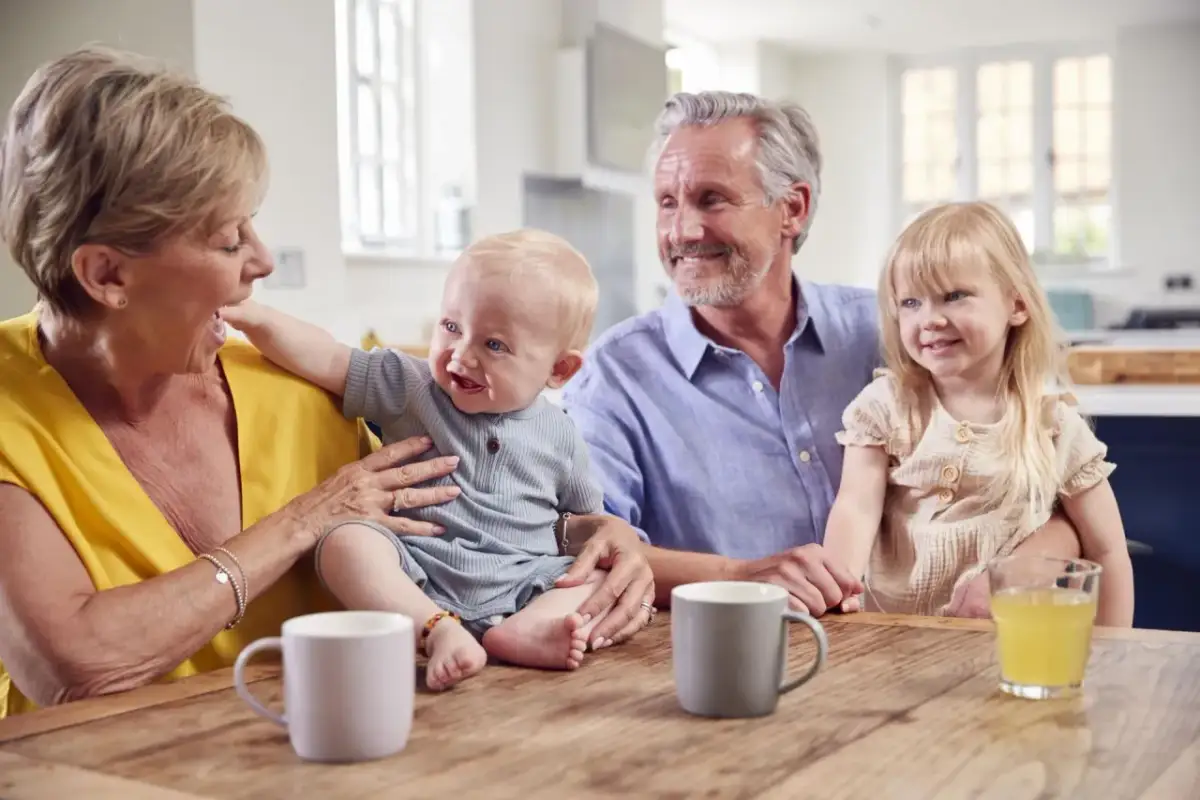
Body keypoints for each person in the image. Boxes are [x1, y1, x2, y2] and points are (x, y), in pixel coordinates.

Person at [0, 47, 652, 717]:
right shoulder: (9, 410)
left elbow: (479, 529)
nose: (264, 260)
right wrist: (301, 522)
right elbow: (75, 668)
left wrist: (620, 545)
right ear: (107, 274)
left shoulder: (293, 388)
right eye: (229, 241)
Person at [562, 90, 1085, 618]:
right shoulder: (614, 378)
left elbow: (1062, 504)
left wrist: (1018, 569)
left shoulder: (899, 333)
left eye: (712, 199)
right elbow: (588, 549)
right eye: (667, 203)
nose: (682, 231)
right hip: (734, 664)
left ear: (792, 208)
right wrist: (741, 578)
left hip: (924, 653)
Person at [221, 229, 653, 691]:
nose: (460, 356)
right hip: (420, 574)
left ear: (558, 370)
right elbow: (328, 357)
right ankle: (437, 630)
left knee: (604, 575)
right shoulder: (410, 387)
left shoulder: (562, 434)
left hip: (526, 582)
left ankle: (525, 631)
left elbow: (588, 524)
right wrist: (253, 317)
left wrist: (605, 544)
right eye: (451, 327)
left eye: (494, 346)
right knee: (345, 541)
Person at [822, 201, 1134, 626]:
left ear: (1017, 305)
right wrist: (836, 603)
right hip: (891, 646)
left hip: (1006, 653)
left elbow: (1107, 551)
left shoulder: (1052, 425)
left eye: (954, 296)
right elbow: (855, 507)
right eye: (911, 302)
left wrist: (1115, 652)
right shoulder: (886, 405)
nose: (929, 319)